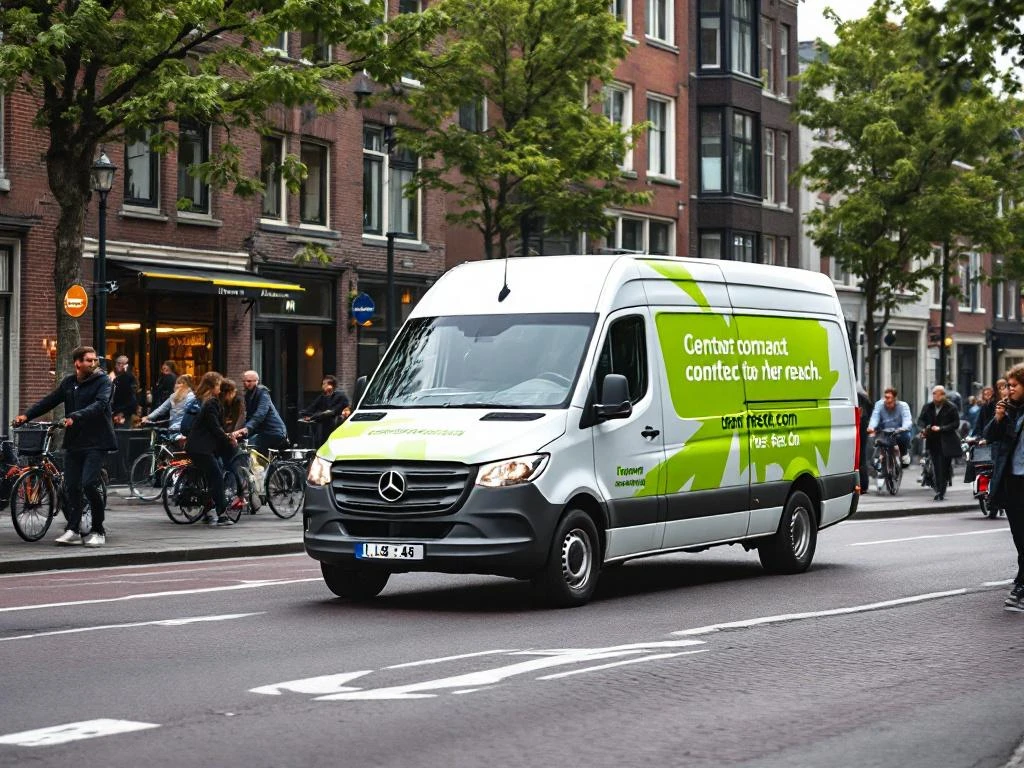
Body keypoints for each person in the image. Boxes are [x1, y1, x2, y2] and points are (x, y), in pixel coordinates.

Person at [13, 346, 116, 547]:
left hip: (97, 441)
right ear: (77, 363)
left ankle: (98, 530)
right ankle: (73, 530)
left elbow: (100, 404)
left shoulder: (103, 381)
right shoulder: (69, 383)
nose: (93, 363)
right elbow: (50, 401)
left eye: (94, 360)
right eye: (88, 360)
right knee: (71, 487)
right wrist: (26, 415)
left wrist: (75, 416)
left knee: (88, 484)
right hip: (75, 442)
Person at [982, 363, 1024, 611]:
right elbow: (990, 435)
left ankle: (1021, 585)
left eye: (1014, 385)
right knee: (1019, 535)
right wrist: (998, 418)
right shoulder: (1009, 411)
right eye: (1008, 385)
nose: (1010, 389)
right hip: (1011, 480)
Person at [184, 371, 240, 526]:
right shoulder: (212, 403)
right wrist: (228, 439)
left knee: (210, 477)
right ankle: (222, 514)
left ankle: (207, 511)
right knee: (216, 477)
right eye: (218, 385)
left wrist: (227, 435)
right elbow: (215, 427)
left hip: (200, 447)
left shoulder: (213, 403)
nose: (219, 388)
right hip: (201, 448)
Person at [917, 384, 962, 501]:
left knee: (944, 466)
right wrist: (923, 429)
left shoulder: (951, 407)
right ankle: (939, 491)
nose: (936, 397)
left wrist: (941, 428)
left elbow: (956, 423)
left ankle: (941, 489)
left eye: (938, 395)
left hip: (947, 441)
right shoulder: (928, 407)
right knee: (937, 466)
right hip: (933, 440)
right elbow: (921, 420)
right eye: (934, 394)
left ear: (943, 395)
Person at [233, 370, 288, 450]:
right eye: (244, 381)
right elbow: (249, 417)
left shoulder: (263, 392)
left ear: (256, 381)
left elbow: (261, 413)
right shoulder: (249, 395)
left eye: (249, 381)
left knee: (248, 447)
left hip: (273, 431)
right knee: (243, 444)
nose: (246, 384)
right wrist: (240, 432)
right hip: (263, 432)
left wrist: (247, 428)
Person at [141, 374, 195, 446]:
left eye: (178, 383)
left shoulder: (173, 396)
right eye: (176, 383)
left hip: (173, 429)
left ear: (185, 385)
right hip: (186, 431)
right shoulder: (192, 397)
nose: (176, 385)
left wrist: (147, 417)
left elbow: (160, 410)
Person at [866, 387, 913, 468]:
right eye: (885, 397)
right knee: (872, 439)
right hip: (883, 431)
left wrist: (904, 428)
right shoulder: (879, 404)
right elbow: (874, 417)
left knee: (906, 435)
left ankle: (904, 453)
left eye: (888, 398)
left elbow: (907, 419)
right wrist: (871, 427)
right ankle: (877, 460)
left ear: (894, 398)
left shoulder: (903, 406)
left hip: (898, 432)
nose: (886, 400)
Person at [299, 375, 350, 447]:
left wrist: (312, 417)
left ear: (330, 385)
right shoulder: (323, 396)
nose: (322, 386)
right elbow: (313, 407)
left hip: (337, 426)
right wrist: (303, 414)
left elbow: (330, 412)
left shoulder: (340, 396)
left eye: (324, 384)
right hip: (325, 426)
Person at [110, 354, 138, 426]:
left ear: (122, 365)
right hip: (119, 413)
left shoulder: (128, 378)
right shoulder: (118, 379)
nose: (116, 366)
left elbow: (132, 398)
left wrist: (122, 413)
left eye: (117, 364)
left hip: (123, 414)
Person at [857, 385, 872, 493]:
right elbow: (871, 411)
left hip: (858, 428)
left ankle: (861, 484)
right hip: (863, 429)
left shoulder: (856, 397)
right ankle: (863, 485)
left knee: (859, 457)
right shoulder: (863, 396)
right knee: (862, 457)